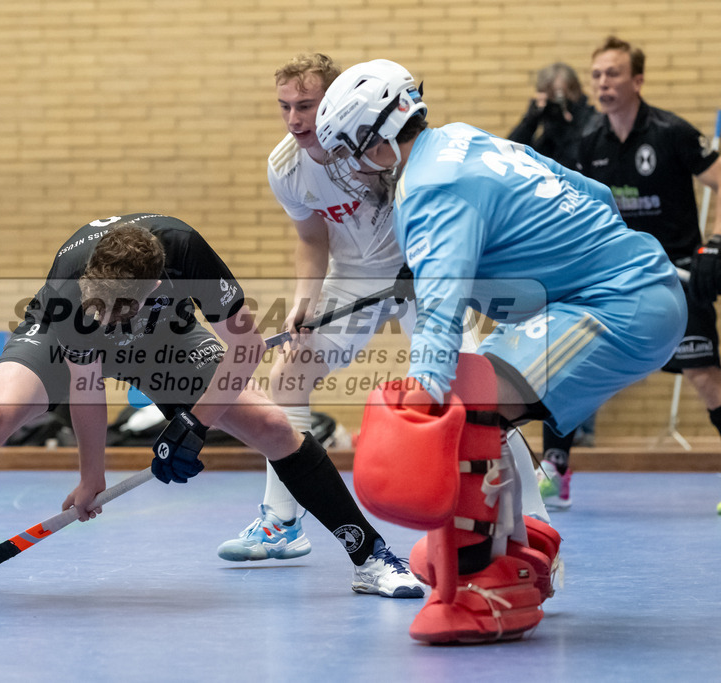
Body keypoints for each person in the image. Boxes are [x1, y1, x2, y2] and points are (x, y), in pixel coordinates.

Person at [0, 213, 426, 601]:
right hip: (63, 340)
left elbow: (246, 345)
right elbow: (87, 385)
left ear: (157, 283)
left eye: (121, 307)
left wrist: (194, 425)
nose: (107, 318)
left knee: (274, 426)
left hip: (164, 340)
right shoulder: (72, 287)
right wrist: (90, 477)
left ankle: (369, 556)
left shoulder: (186, 253)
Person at [314, 59, 685, 643]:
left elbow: (441, 311)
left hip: (618, 304)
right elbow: (590, 193)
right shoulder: (460, 139)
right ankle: (514, 549)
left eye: (348, 152)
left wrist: (425, 397)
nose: (352, 169)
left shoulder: (429, 188)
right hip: (625, 283)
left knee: (465, 403)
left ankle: (485, 583)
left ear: (376, 143)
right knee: (479, 393)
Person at [217, 53, 551, 567]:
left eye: (305, 105)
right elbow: (310, 236)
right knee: (289, 376)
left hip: (423, 271)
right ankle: (281, 521)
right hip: (354, 277)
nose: (294, 119)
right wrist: (304, 299)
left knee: (479, 393)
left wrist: (430, 265)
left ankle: (533, 517)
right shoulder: (286, 167)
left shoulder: (383, 144)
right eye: (284, 106)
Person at [570, 36, 721, 507]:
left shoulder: (670, 131)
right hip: (616, 279)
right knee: (571, 364)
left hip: (675, 277)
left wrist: (714, 244)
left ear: (636, 80)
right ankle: (555, 468)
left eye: (612, 74)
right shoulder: (588, 142)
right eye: (596, 75)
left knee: (704, 377)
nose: (602, 83)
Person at [507, 61, 599, 506]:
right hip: (549, 251)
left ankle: (559, 457)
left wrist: (571, 114)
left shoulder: (591, 124)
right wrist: (534, 114)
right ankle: (556, 461)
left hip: (589, 246)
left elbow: (587, 159)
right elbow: (510, 154)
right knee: (552, 361)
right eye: (550, 94)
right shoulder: (542, 130)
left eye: (563, 94)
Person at [507, 62, 597, 171]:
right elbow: (510, 154)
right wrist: (531, 119)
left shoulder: (593, 121)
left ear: (575, 90)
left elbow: (575, 162)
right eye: (549, 98)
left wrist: (568, 124)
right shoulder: (548, 131)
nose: (553, 106)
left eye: (559, 98)